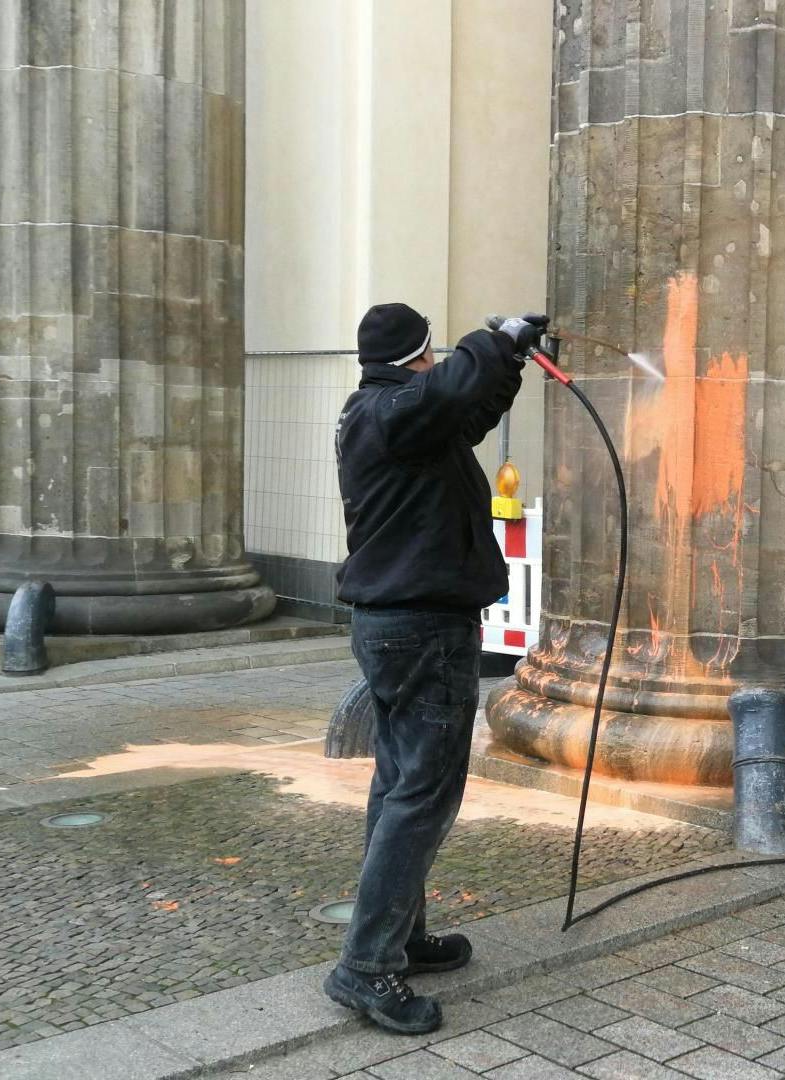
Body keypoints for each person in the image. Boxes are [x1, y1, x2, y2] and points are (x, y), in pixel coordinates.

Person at [323, 303, 548, 1034]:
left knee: (398, 786)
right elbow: (451, 389)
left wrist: (508, 363)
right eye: (433, 354)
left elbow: (467, 410)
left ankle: (399, 938)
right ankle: (366, 967)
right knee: (422, 793)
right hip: (422, 627)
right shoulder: (392, 410)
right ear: (419, 354)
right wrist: (494, 338)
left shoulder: (393, 416)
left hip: (395, 624)